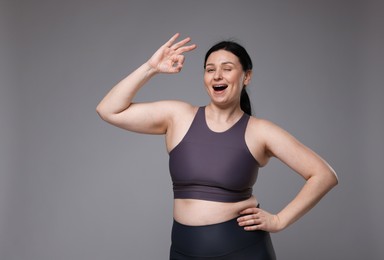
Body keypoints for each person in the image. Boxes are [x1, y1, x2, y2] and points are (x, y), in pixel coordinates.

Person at [96, 33, 338, 259]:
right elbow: (108, 109)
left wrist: (279, 220)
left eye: (227, 68)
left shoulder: (260, 131)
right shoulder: (178, 116)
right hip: (182, 250)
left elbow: (323, 175)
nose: (217, 76)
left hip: (242, 249)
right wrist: (151, 68)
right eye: (210, 70)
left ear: (246, 76)